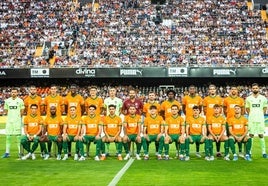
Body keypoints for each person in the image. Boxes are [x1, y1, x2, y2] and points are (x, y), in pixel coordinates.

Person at [245, 83, 268, 158]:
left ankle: (264, 153)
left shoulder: (263, 98)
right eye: (253, 88)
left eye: (256, 88)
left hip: (260, 120)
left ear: (259, 89)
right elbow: (247, 108)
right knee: (251, 135)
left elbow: (265, 108)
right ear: (251, 89)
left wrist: (260, 115)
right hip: (251, 119)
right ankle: (250, 152)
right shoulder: (248, 98)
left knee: (261, 135)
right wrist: (252, 114)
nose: (255, 89)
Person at [2, 87, 24, 158]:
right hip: (9, 122)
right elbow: (5, 110)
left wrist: (17, 118)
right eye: (12, 92)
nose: (13, 93)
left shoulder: (20, 101)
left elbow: (22, 111)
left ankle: (20, 153)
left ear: (17, 93)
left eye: (15, 92)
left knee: (18, 137)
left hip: (17, 122)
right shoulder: (7, 101)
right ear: (10, 93)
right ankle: (7, 153)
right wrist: (11, 116)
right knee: (8, 137)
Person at [223, 85, 245, 157]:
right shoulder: (226, 100)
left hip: (238, 121)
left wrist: (240, 117)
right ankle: (230, 151)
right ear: (230, 91)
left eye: (235, 89)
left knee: (240, 135)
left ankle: (240, 151)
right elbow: (224, 110)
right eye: (232, 89)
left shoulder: (241, 100)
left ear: (237, 91)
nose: (233, 90)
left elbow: (243, 110)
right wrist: (229, 117)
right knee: (229, 137)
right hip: (229, 121)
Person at [203, 84, 223, 157]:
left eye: (213, 89)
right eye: (210, 89)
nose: (212, 90)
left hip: (217, 121)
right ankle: (208, 151)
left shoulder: (219, 99)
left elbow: (220, 109)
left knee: (218, 136)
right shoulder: (205, 99)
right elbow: (205, 110)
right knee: (208, 137)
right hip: (209, 121)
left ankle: (218, 151)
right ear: (209, 90)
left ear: (215, 90)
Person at [64, 84, 85, 156]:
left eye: (74, 88)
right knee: (69, 134)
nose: (73, 89)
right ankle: (69, 152)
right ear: (70, 89)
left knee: (78, 135)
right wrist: (69, 114)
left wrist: (80, 115)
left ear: (77, 89)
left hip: (78, 118)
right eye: (71, 88)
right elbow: (66, 108)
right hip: (70, 118)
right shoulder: (67, 97)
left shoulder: (80, 97)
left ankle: (78, 152)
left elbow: (83, 107)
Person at [103, 87, 123, 155]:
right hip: (108, 119)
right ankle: (107, 151)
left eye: (113, 91)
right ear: (109, 92)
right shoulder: (106, 100)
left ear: (116, 92)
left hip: (116, 120)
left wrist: (116, 116)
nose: (112, 92)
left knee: (117, 135)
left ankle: (117, 151)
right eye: (110, 91)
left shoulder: (119, 100)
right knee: (107, 134)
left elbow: (120, 110)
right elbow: (105, 110)